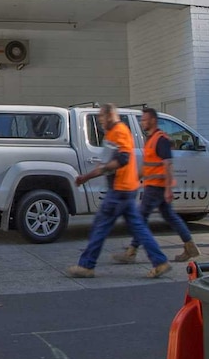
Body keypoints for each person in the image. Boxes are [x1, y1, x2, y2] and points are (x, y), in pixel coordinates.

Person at [67, 103, 171, 279]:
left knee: (100, 226)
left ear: (109, 116)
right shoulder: (111, 133)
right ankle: (160, 262)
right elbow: (105, 163)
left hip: (120, 190)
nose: (100, 121)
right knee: (138, 228)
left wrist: (92, 174)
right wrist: (86, 177)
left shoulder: (120, 131)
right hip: (124, 190)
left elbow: (122, 159)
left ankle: (86, 265)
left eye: (101, 117)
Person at [113, 105, 200, 264]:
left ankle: (131, 252)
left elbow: (168, 164)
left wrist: (168, 189)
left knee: (140, 217)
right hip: (153, 186)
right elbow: (148, 165)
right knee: (170, 216)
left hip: (157, 187)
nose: (142, 123)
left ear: (153, 120)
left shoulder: (161, 139)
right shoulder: (151, 140)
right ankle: (190, 246)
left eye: (145, 120)